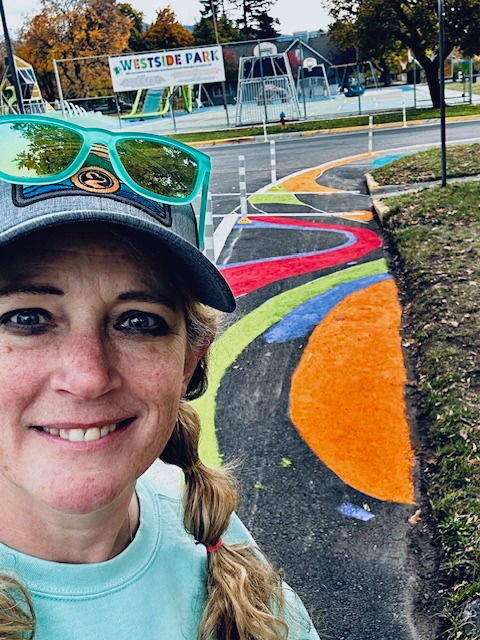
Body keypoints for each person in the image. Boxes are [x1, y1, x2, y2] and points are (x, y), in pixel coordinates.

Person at [0, 115, 320, 640]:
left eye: (138, 322)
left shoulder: (207, 533)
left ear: (189, 361)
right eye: (27, 318)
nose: (88, 377)